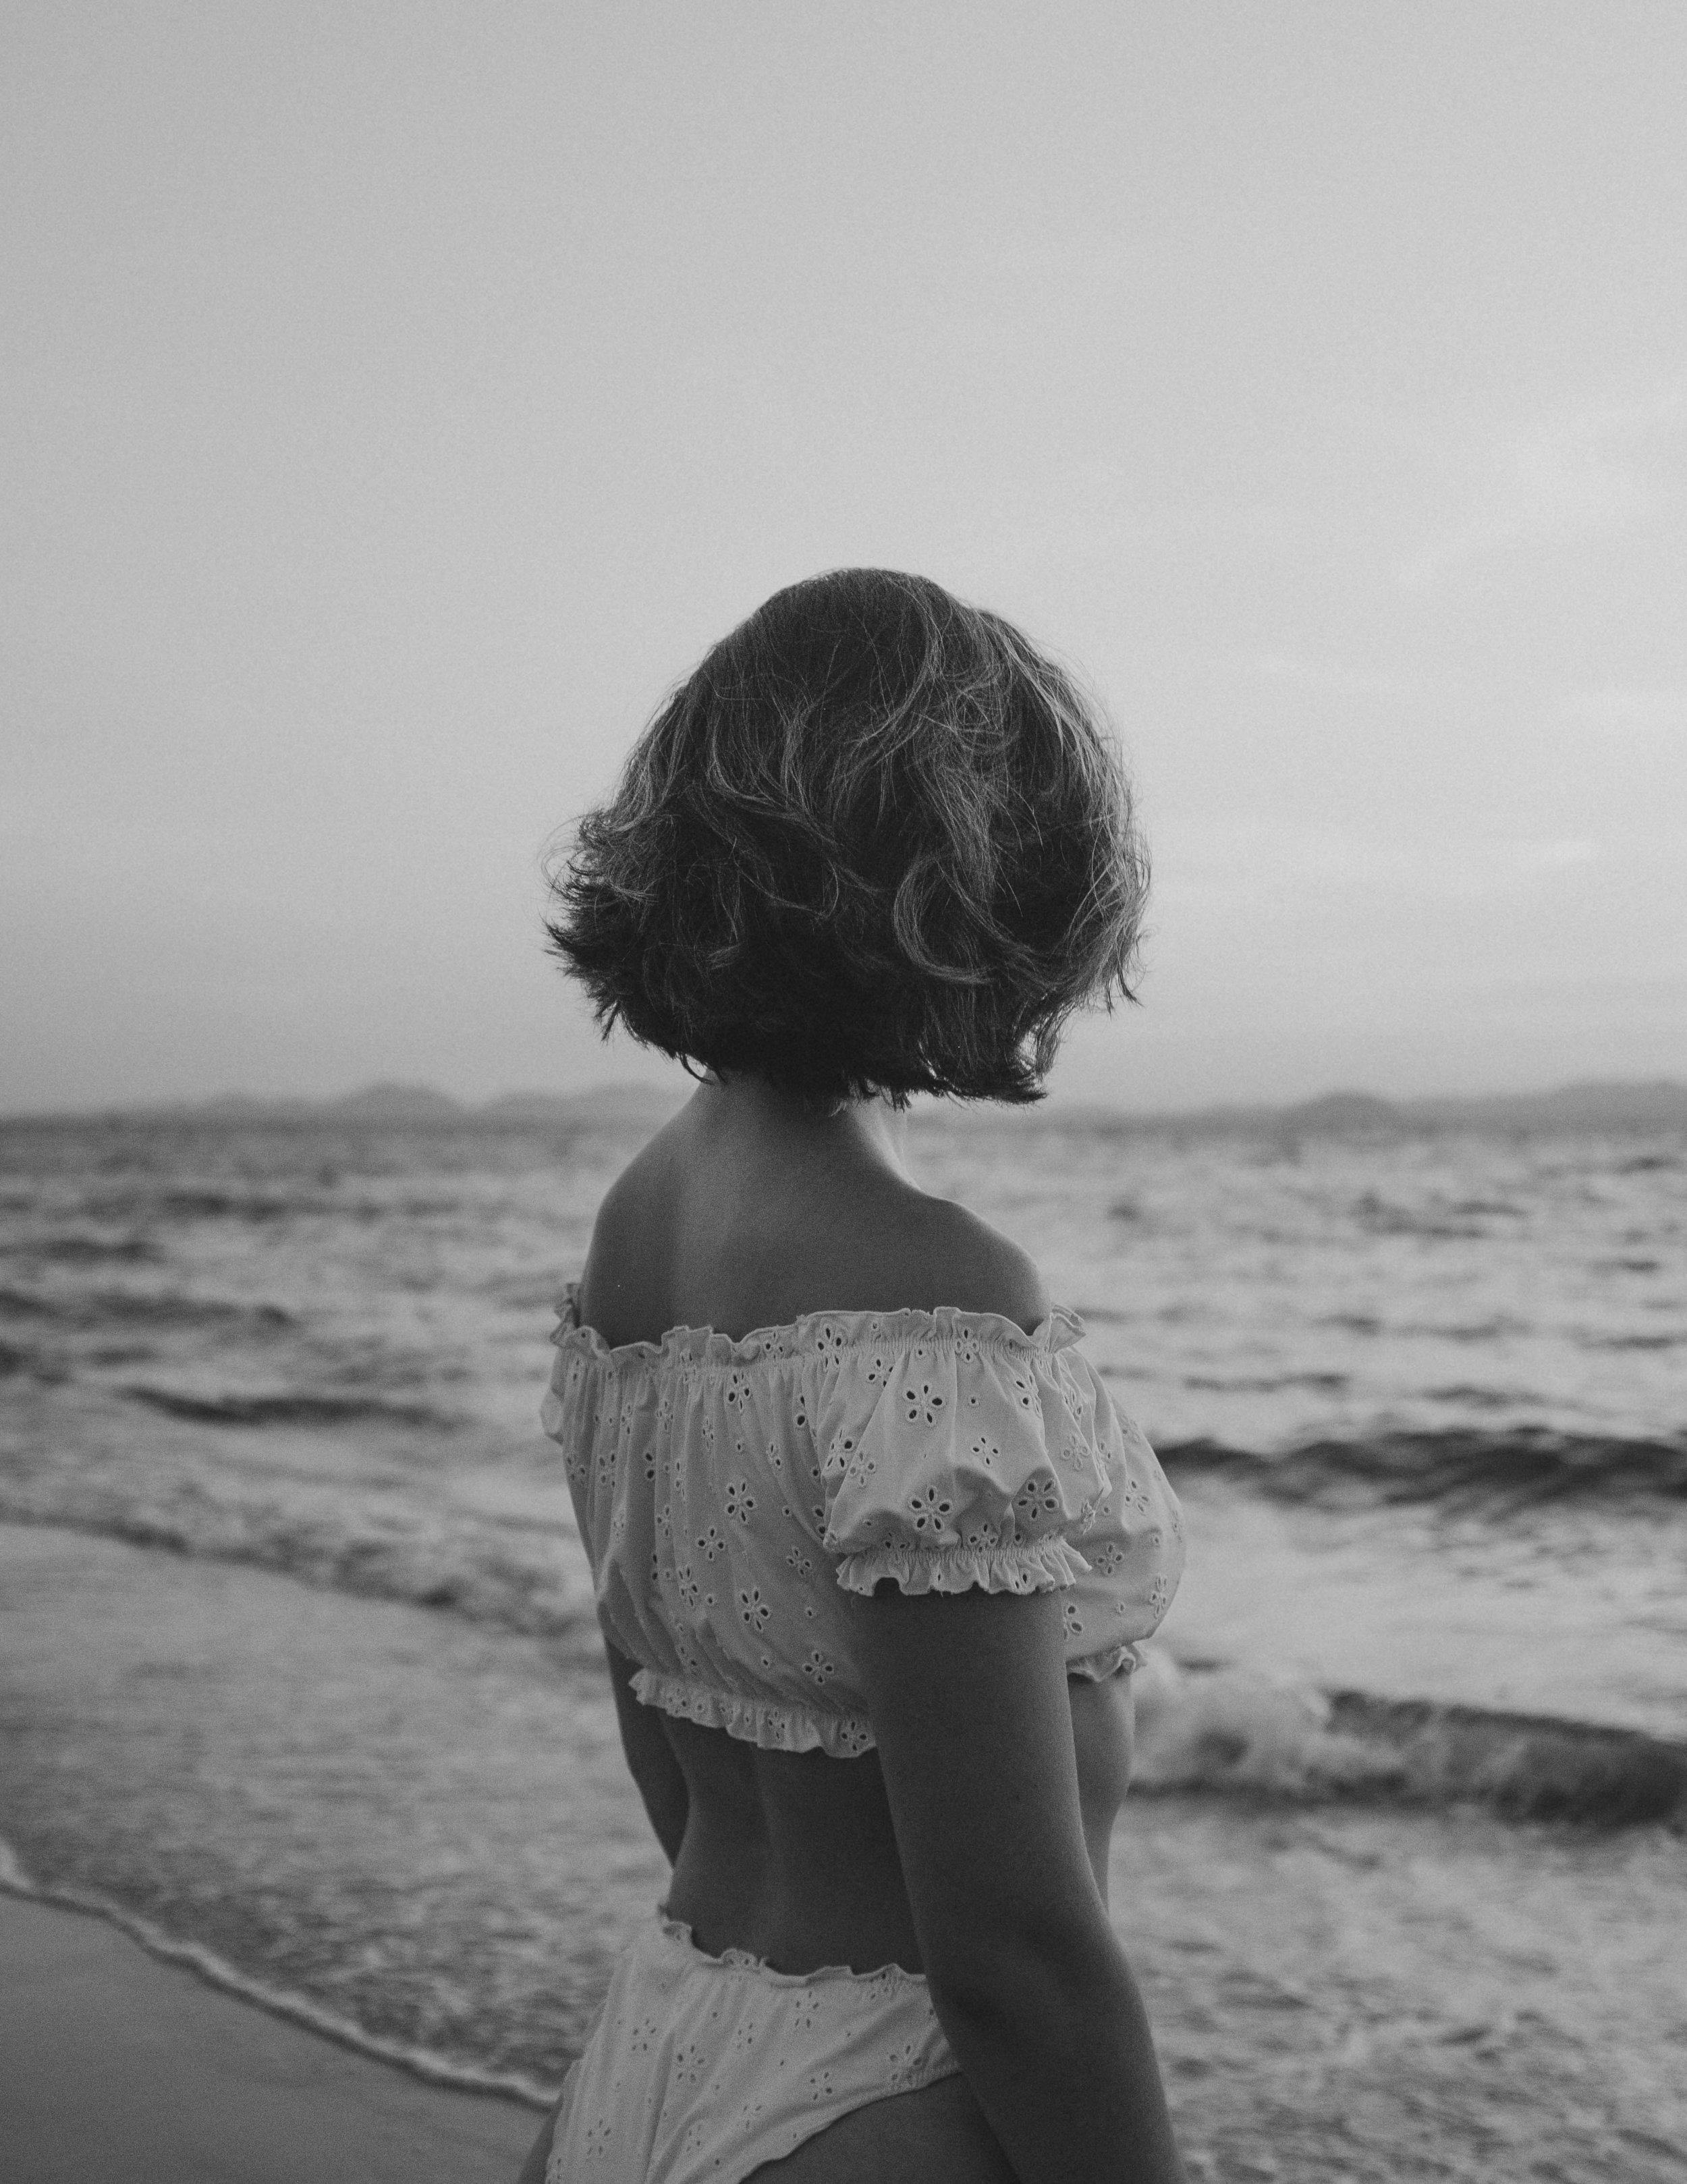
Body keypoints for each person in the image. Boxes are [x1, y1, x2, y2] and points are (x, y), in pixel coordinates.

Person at [522, 570, 1188, 2183]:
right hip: (877, 2097)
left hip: (662, 2036)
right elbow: (1014, 1956)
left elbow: (667, 1742)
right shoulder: (932, 1296)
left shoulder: (633, 1240)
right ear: (973, 871)